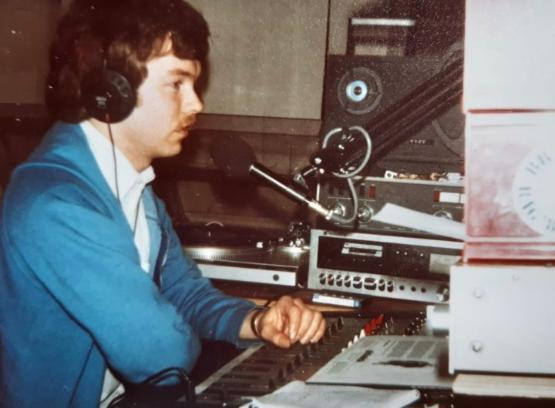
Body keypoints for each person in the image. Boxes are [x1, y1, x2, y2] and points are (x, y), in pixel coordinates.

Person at [0, 0, 326, 406]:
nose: (196, 104)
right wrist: (172, 324)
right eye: (176, 84)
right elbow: (160, 354)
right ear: (111, 92)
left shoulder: (134, 186)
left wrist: (257, 320)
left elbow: (184, 293)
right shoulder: (57, 204)